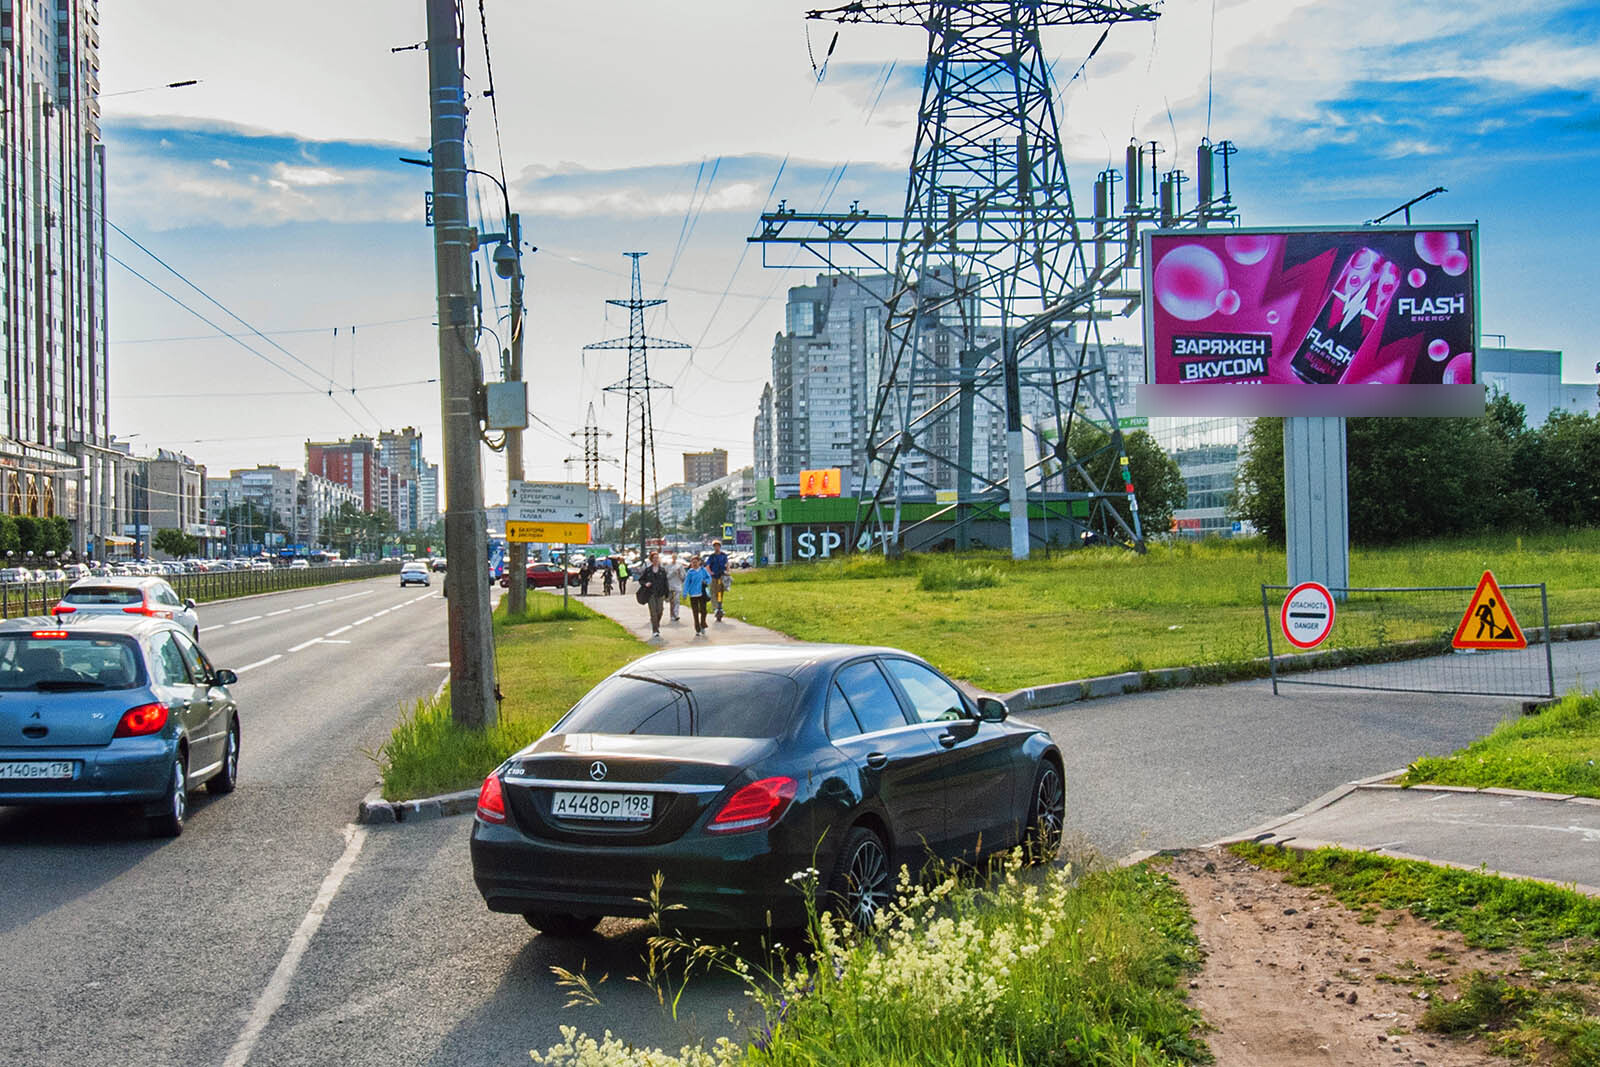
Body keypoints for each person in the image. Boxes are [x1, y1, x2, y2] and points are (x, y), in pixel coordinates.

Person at [639, 551, 670, 640]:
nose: (656, 559)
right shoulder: (648, 570)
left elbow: (666, 582)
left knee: (660, 611)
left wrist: (667, 594)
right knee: (653, 612)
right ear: (651, 560)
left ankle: (656, 624)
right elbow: (641, 580)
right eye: (654, 558)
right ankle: (655, 630)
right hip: (651, 594)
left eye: (657, 558)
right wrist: (646, 584)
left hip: (660, 594)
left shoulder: (662, 570)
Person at [682, 554, 711, 636]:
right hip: (693, 594)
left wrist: (706, 581)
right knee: (695, 612)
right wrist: (685, 593)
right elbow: (686, 583)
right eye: (693, 562)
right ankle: (697, 629)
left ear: (699, 562)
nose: (694, 564)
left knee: (704, 611)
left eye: (696, 562)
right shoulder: (690, 572)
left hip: (702, 593)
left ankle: (703, 624)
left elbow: (709, 578)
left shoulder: (703, 570)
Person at [706, 539, 730, 621]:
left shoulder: (723, 555)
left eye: (718, 546)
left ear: (720, 546)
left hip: (721, 576)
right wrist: (710, 572)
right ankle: (716, 608)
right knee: (713, 592)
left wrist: (727, 571)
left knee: (720, 592)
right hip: (714, 577)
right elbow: (707, 566)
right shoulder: (712, 556)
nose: (716, 547)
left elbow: (727, 564)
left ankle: (720, 607)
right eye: (715, 546)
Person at [665, 553, 686, 623]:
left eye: (675, 557)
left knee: (677, 600)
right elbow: (666, 577)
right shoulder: (668, 566)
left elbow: (683, 577)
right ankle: (672, 615)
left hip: (678, 586)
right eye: (673, 557)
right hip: (670, 586)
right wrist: (673, 573)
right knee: (672, 601)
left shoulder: (680, 566)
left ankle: (676, 614)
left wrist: (679, 573)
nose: (674, 558)